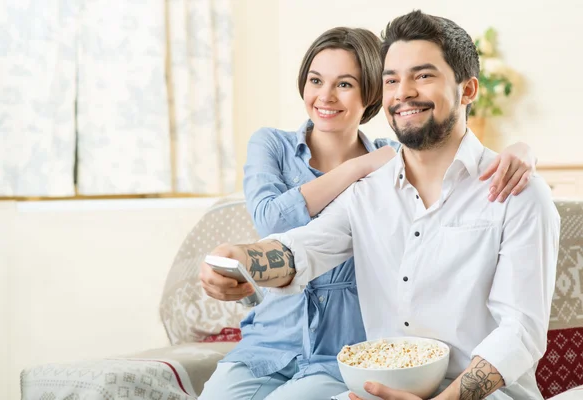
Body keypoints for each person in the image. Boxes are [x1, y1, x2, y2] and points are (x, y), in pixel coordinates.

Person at [199, 22, 542, 400]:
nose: (404, 93)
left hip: (484, 393)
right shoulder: (369, 189)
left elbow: (520, 331)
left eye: (423, 75)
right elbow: (302, 248)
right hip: (382, 384)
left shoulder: (519, 193)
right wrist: (242, 258)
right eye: (392, 80)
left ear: (468, 89)